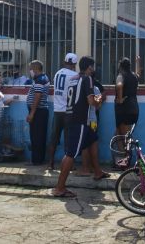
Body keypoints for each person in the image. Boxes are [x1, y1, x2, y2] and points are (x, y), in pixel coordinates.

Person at [51, 56, 109, 198]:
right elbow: (91, 101)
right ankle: (59, 188)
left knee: (93, 140)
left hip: (72, 116)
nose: (93, 69)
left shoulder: (73, 79)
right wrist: (100, 98)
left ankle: (97, 172)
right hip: (79, 120)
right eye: (93, 67)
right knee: (71, 153)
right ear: (89, 67)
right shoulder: (87, 79)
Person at [48, 53, 80, 170]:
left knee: (54, 138)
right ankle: (68, 166)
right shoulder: (75, 75)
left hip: (57, 110)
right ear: (75, 64)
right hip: (68, 111)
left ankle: (50, 163)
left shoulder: (57, 73)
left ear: (65, 61)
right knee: (69, 139)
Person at [113, 56, 141, 168]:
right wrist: (138, 62)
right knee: (120, 134)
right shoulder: (134, 76)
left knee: (124, 137)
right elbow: (138, 74)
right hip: (134, 108)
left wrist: (120, 99)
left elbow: (119, 85)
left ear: (120, 66)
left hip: (124, 109)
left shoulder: (121, 75)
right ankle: (122, 160)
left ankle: (125, 162)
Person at [25, 60, 50, 165]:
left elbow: (37, 97)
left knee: (36, 137)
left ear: (35, 69)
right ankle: (38, 159)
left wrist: (32, 113)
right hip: (39, 111)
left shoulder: (40, 80)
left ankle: (36, 160)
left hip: (38, 111)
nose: (30, 71)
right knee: (39, 136)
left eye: (30, 69)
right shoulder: (41, 78)